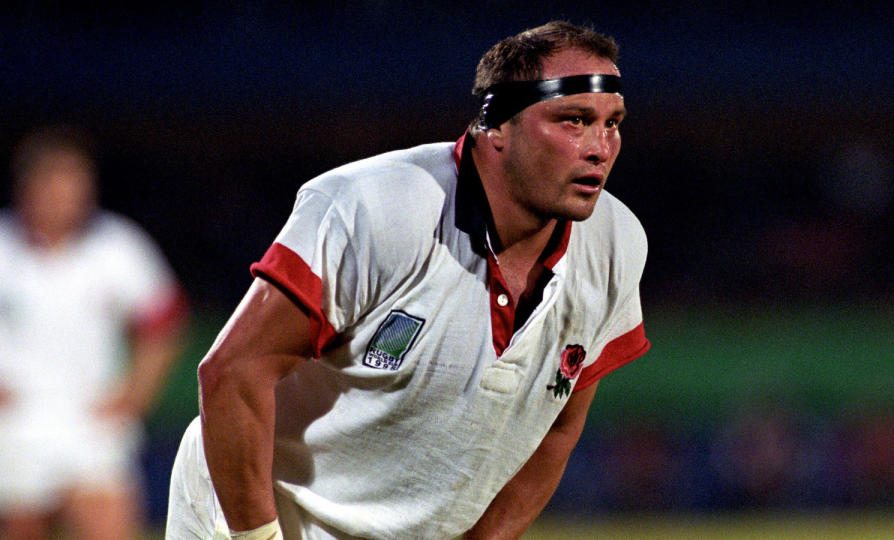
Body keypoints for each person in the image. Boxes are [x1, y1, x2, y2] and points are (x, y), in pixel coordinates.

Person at [167, 20, 650, 540]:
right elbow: (233, 372)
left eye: (612, 123)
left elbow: (556, 427)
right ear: (496, 125)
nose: (601, 147)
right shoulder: (373, 207)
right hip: (259, 514)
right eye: (573, 121)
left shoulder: (616, 243)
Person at [0, 126, 187, 540]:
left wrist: (136, 394)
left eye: (77, 186)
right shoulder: (4, 247)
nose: (68, 198)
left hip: (92, 420)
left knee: (108, 526)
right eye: (56, 185)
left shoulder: (117, 246)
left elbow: (164, 321)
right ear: (28, 187)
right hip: (14, 422)